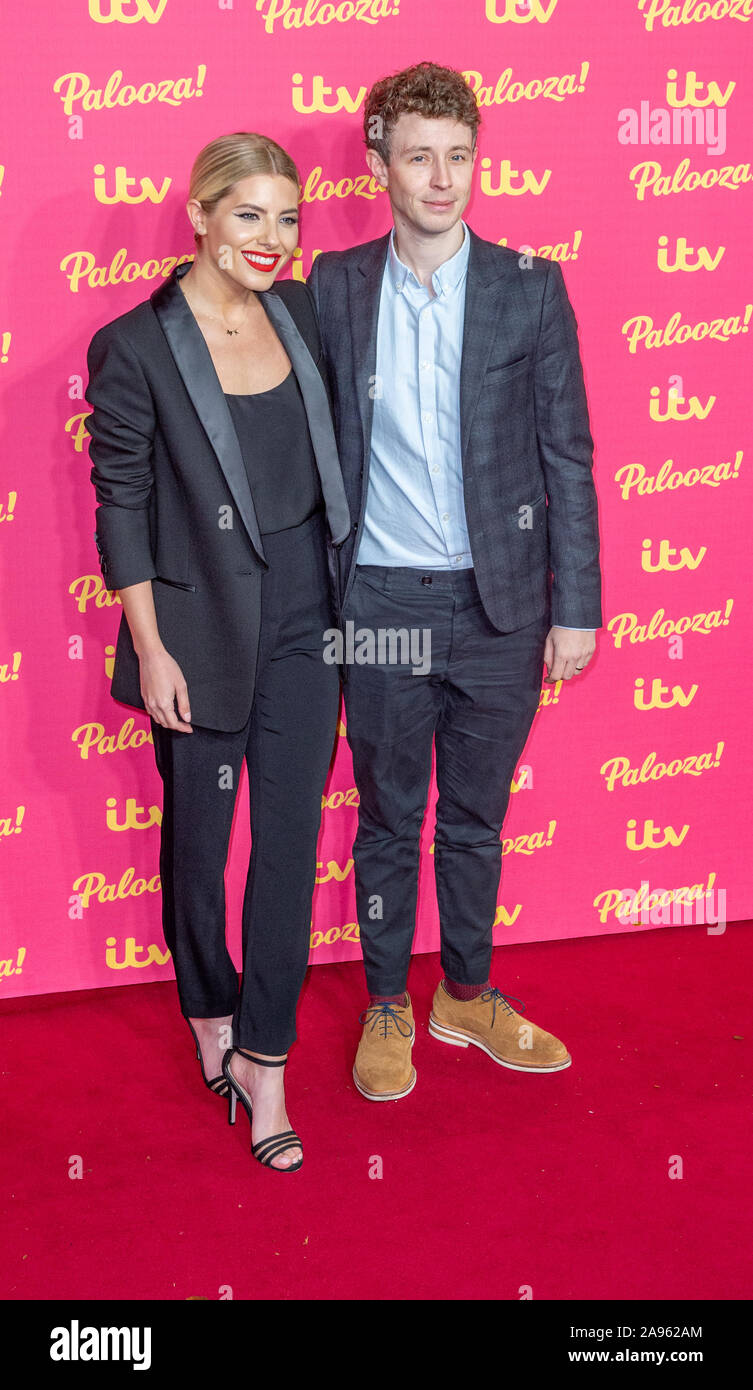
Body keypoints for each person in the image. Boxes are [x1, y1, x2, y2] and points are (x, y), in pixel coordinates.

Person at [307, 63, 602, 1101]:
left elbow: (567, 452)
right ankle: (389, 999)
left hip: (499, 608)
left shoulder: (531, 284)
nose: (442, 178)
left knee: (476, 817)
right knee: (388, 819)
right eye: (420, 156)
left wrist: (576, 606)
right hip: (380, 603)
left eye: (459, 157)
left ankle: (466, 994)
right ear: (379, 163)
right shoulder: (334, 288)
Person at [85, 132, 350, 1167]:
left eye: (288, 217)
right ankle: (207, 1000)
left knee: (288, 842)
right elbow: (123, 504)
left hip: (309, 617)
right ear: (198, 215)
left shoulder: (304, 315)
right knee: (203, 841)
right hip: (195, 630)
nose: (273, 238)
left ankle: (265, 1059)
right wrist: (151, 649)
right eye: (249, 215)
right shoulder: (137, 344)